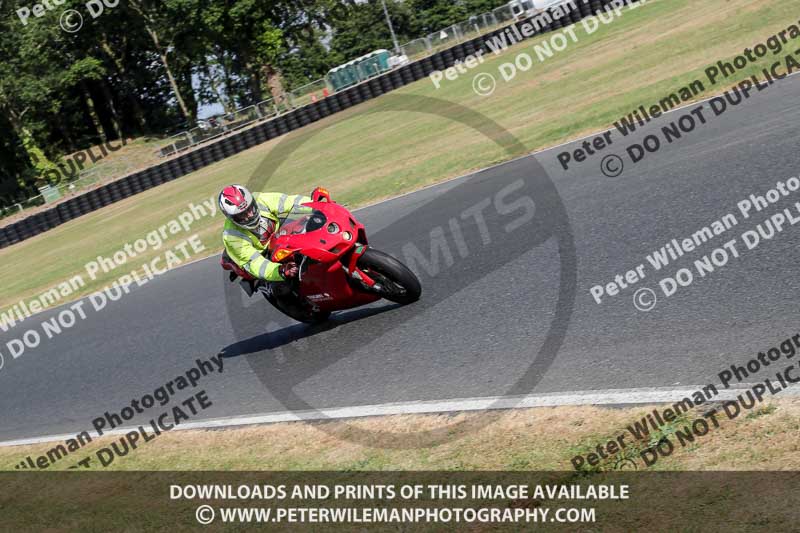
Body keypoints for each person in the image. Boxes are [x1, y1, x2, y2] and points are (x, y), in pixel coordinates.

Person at [218, 184, 311, 295]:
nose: (250, 215)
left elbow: (290, 201)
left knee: (308, 225)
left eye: (250, 208)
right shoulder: (232, 236)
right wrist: (280, 271)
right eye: (242, 215)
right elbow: (256, 264)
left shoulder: (260, 199)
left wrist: (317, 203)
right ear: (232, 218)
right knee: (282, 287)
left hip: (277, 233)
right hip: (261, 254)